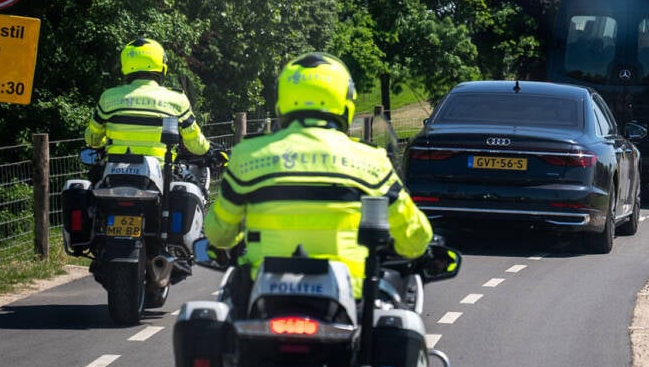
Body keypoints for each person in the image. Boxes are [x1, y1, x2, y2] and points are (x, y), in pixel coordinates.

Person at [203, 52, 432, 293]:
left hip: (265, 294)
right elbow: (415, 237)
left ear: (283, 100)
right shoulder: (371, 161)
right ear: (345, 101)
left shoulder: (248, 155)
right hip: (348, 295)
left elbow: (219, 234)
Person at [85, 37, 212, 159]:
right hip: (161, 174)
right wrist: (207, 149)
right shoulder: (177, 100)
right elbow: (196, 146)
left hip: (113, 173)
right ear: (162, 66)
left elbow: (92, 138)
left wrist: (102, 143)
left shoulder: (109, 97)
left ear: (125, 66)